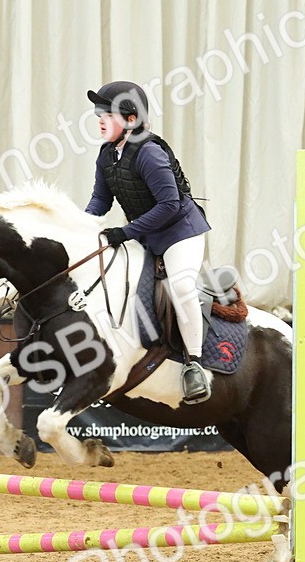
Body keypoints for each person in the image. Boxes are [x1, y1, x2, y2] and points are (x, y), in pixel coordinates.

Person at [84, 80, 212, 405]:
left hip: (179, 232)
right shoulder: (107, 155)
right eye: (98, 113)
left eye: (107, 114)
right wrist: (81, 229)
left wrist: (124, 233)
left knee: (182, 287)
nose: (99, 119)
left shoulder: (150, 153)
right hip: (145, 233)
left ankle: (194, 365)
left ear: (130, 120)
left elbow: (169, 205)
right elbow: (100, 201)